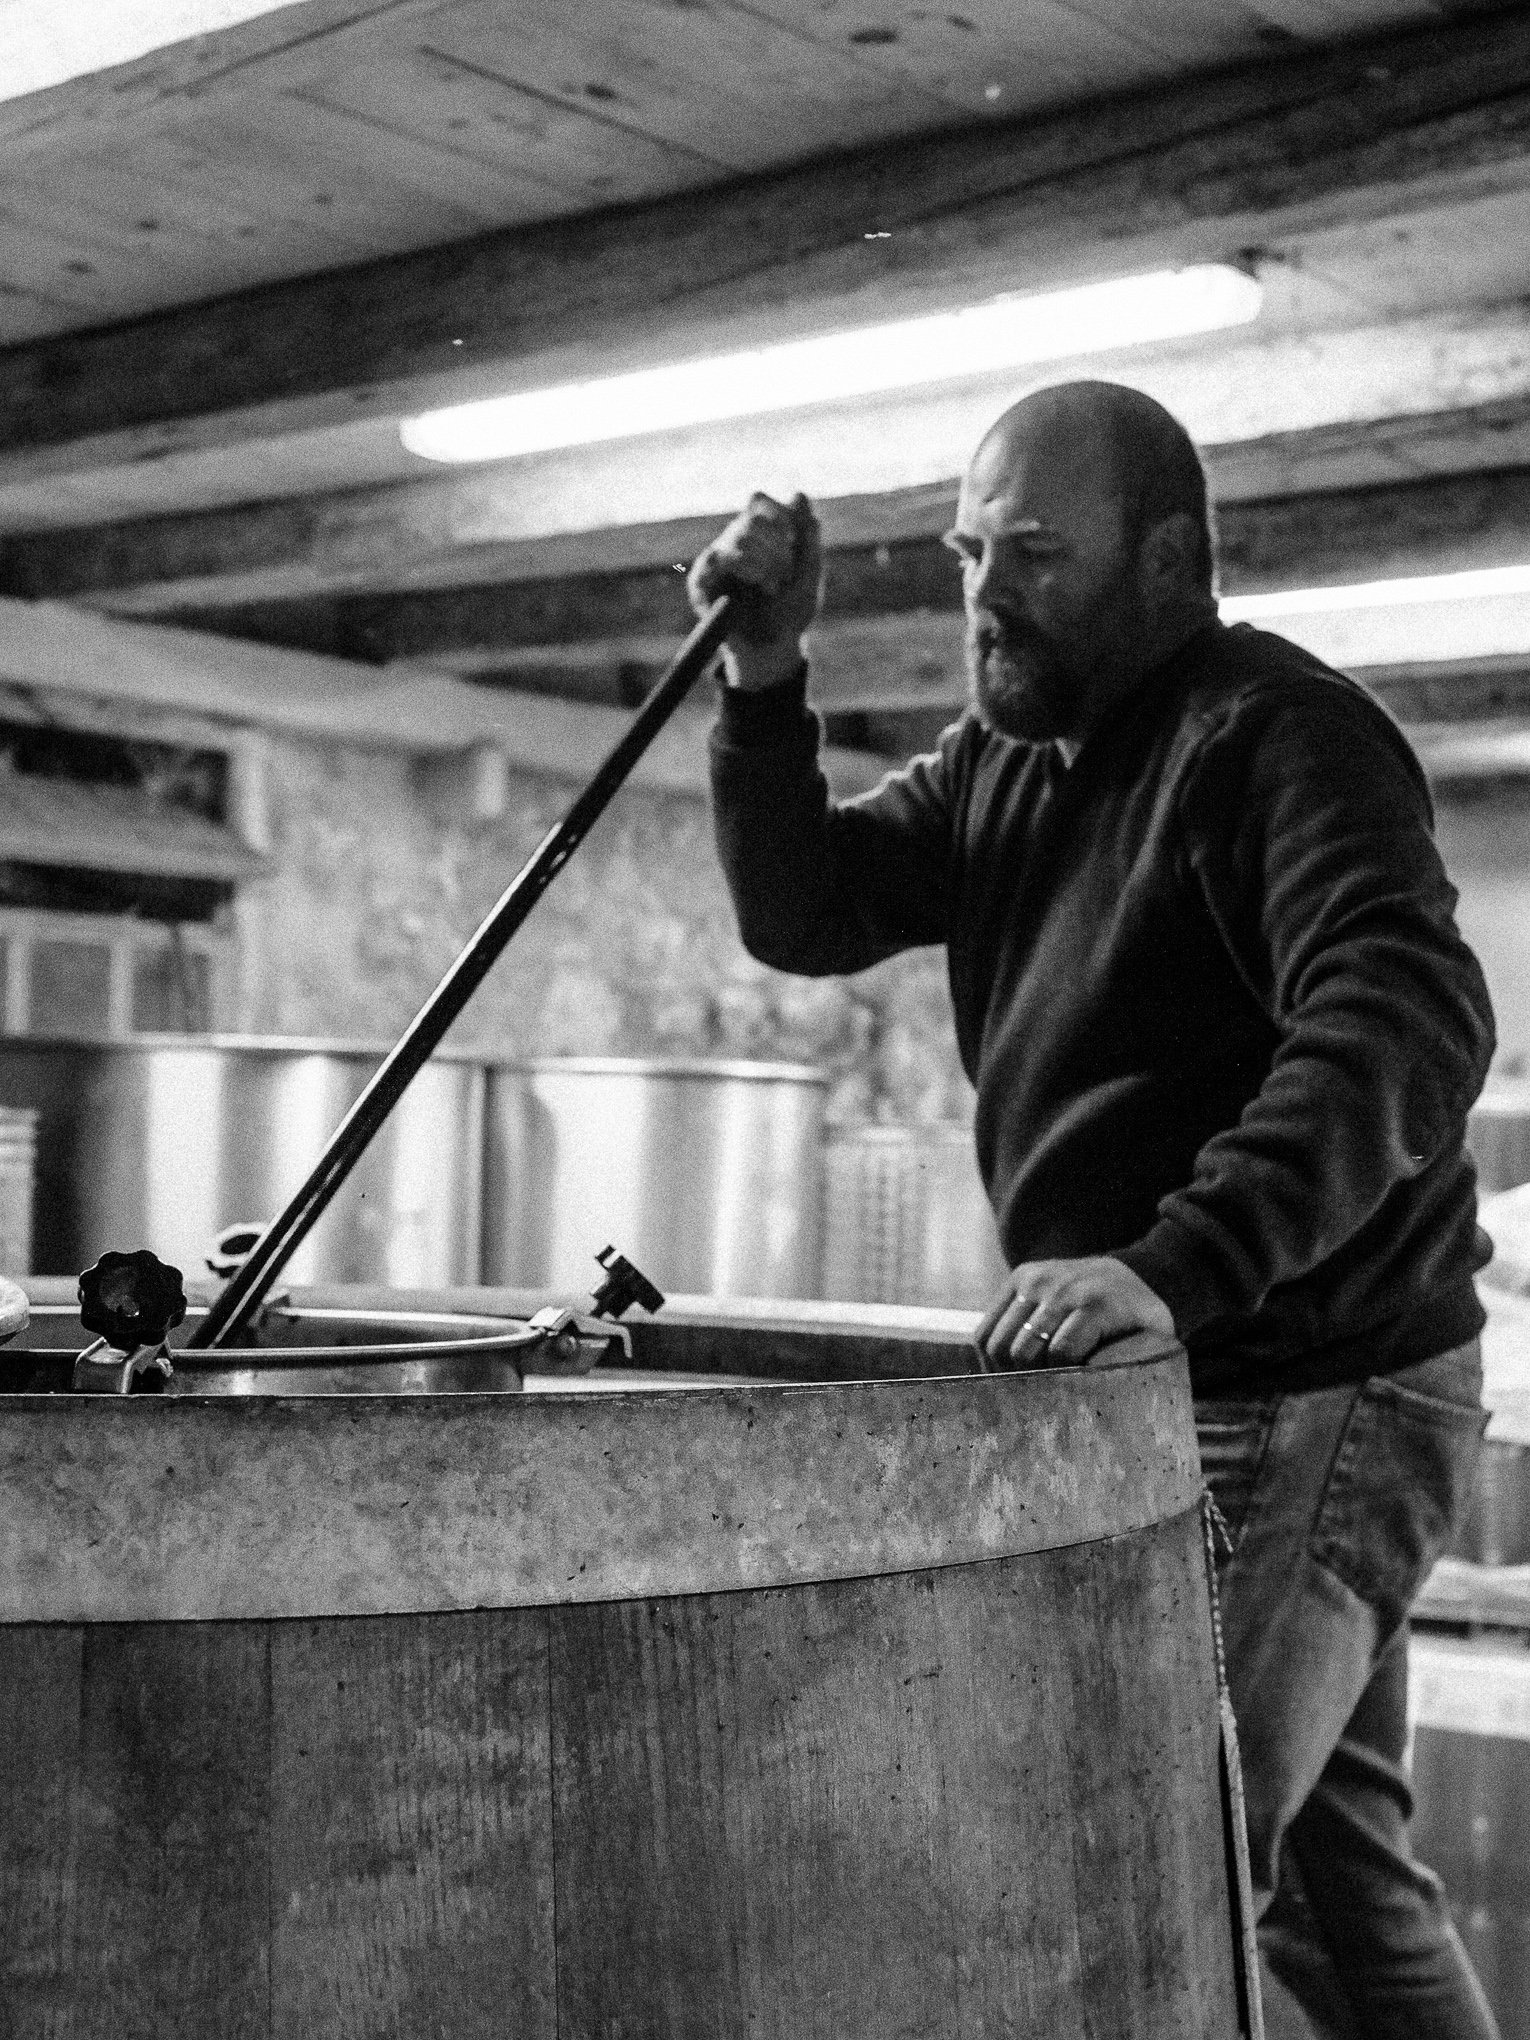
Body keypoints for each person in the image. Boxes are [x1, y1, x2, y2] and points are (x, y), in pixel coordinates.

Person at [690, 379, 1501, 2040]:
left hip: (1313, 1381)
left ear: (1170, 560)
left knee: (1158, 1867)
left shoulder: (1271, 737)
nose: (987, 591)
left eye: (1038, 553)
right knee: (1338, 1912)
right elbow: (808, 908)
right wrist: (764, 680)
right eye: (968, 548)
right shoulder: (1003, 761)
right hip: (1216, 1374)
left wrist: (1175, 1263)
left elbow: (1406, 1018)